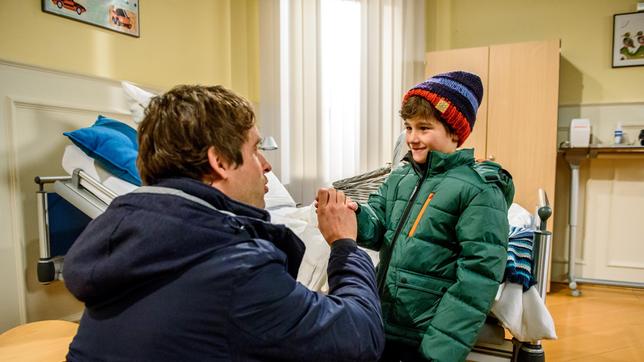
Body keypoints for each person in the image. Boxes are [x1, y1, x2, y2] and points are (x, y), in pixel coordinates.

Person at [63, 85, 384, 361]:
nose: (266, 165)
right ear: (220, 161)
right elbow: (361, 338)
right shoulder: (234, 269)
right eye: (256, 150)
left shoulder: (121, 234)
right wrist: (345, 245)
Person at [354, 71, 514, 362]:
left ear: (454, 132)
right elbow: (377, 227)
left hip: (425, 337)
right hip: (384, 325)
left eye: (424, 128)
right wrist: (353, 215)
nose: (412, 138)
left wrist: (438, 352)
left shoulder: (479, 192)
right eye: (408, 127)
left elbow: (477, 281)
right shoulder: (400, 177)